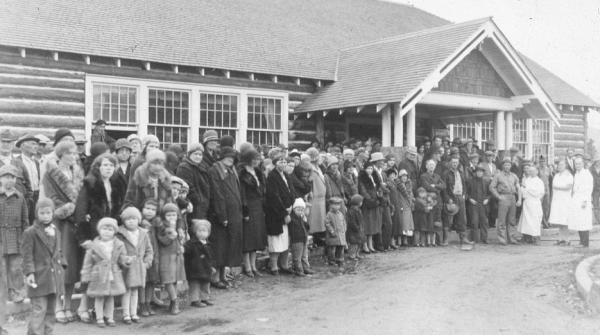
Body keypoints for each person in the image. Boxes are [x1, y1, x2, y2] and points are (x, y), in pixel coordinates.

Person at [40, 141, 84, 323]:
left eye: (75, 153)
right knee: (61, 265)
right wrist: (70, 207)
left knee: (73, 266)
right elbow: (52, 198)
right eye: (70, 153)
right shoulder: (50, 174)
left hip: (76, 224)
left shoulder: (78, 174)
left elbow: (83, 196)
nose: (74, 156)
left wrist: (81, 209)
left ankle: (68, 306)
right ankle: (58, 306)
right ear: (61, 155)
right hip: (60, 223)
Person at [21, 198, 65, 335]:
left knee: (51, 311)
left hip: (53, 278)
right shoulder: (30, 232)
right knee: (39, 310)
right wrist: (30, 273)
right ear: (36, 213)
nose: (45, 216)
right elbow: (27, 255)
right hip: (39, 278)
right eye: (42, 213)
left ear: (52, 213)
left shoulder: (56, 231)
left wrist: (62, 265)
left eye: (48, 213)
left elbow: (58, 252)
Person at [80, 218, 130, 328]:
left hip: (113, 272)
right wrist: (86, 275)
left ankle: (109, 317)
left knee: (111, 296)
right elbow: (87, 262)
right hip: (99, 273)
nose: (107, 231)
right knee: (99, 296)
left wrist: (126, 260)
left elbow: (121, 258)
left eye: (110, 229)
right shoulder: (93, 245)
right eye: (104, 228)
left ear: (114, 232)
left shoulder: (118, 244)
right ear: (99, 230)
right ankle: (99, 317)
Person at [207, 146, 243, 286]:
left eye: (232, 158)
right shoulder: (214, 170)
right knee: (219, 247)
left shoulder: (231, 170)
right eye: (227, 157)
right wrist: (222, 215)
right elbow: (217, 194)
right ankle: (215, 277)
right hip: (220, 215)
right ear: (221, 157)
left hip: (234, 214)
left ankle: (223, 275)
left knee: (228, 246)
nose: (230, 160)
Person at [116, 207, 153, 324]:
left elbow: (149, 250)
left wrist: (147, 262)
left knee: (135, 291)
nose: (131, 221)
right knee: (127, 290)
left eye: (133, 218)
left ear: (138, 220)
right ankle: (126, 314)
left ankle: (134, 313)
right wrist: (123, 260)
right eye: (127, 219)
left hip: (139, 266)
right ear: (123, 221)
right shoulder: (120, 234)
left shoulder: (143, 234)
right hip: (127, 266)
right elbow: (116, 251)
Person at [0, 164, 28, 303]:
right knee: (2, 267)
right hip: (1, 236)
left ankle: (16, 292)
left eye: (12, 177)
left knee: (16, 267)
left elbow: (25, 219)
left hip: (16, 237)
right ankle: (3, 294)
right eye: (6, 177)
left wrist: (25, 237)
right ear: (1, 179)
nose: (9, 180)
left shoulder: (20, 197)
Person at [264, 154, 295, 275]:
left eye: (284, 162)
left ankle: (284, 264)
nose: (283, 164)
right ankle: (273, 266)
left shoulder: (286, 175)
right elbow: (274, 197)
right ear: (275, 163)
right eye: (280, 162)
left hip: (288, 209)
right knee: (276, 240)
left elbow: (291, 191)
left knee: (286, 240)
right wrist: (284, 212)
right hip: (276, 213)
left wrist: (291, 206)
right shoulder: (272, 176)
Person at [238, 149, 267, 277]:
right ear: (248, 159)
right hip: (248, 206)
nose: (256, 161)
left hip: (258, 206)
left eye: (258, 159)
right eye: (254, 159)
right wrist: (245, 211)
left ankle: (254, 266)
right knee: (248, 239)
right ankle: (247, 266)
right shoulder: (242, 173)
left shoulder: (258, 172)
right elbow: (242, 193)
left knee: (256, 237)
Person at [156, 203, 186, 314]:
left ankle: (174, 301)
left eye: (173, 215)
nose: (171, 218)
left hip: (176, 255)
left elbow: (179, 240)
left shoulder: (178, 226)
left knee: (174, 280)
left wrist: (181, 244)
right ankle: (174, 300)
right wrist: (171, 236)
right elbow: (162, 241)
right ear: (164, 216)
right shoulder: (161, 226)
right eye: (168, 215)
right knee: (167, 280)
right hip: (166, 256)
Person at [490, 158, 522, 245]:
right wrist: (499, 197)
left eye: (508, 165)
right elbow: (492, 187)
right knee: (502, 220)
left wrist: (519, 199)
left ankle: (512, 238)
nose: (507, 166)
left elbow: (518, 187)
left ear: (510, 166)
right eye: (505, 165)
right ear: (502, 166)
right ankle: (502, 239)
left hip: (512, 197)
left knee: (512, 220)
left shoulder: (514, 176)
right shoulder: (498, 175)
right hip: (503, 197)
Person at [184, 219, 215, 308]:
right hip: (194, 268)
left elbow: (211, 257)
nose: (202, 233)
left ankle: (205, 298)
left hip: (206, 267)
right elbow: (186, 250)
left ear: (208, 232)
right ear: (195, 232)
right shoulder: (191, 243)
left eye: (204, 231)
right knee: (195, 284)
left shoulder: (209, 244)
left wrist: (212, 266)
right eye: (199, 231)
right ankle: (195, 300)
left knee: (206, 284)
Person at [442, 157, 472, 246]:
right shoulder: (446, 173)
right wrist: (448, 199)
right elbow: (444, 188)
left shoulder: (461, 173)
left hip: (460, 197)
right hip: (451, 198)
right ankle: (446, 239)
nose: (455, 164)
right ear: (450, 163)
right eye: (453, 162)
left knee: (462, 219)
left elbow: (464, 185)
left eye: (456, 162)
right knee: (449, 219)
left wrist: (464, 195)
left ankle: (463, 238)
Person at [176, 143, 211, 220]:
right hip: (193, 206)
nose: (198, 157)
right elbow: (187, 187)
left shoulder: (203, 167)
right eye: (195, 154)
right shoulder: (184, 167)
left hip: (203, 207)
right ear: (189, 154)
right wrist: (199, 201)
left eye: (200, 154)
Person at [139, 199, 161, 317]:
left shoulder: (156, 223)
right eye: (147, 208)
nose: (150, 212)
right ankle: (142, 304)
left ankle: (148, 303)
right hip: (142, 256)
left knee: (151, 281)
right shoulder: (139, 223)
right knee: (143, 281)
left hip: (154, 255)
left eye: (153, 210)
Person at [567, 156, 594, 247]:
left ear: (583, 164)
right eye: (576, 164)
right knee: (578, 220)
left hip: (583, 200)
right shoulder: (577, 174)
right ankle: (581, 241)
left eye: (579, 163)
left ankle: (585, 242)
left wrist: (585, 202)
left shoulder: (586, 174)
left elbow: (588, 189)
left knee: (584, 220)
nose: (577, 165)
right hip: (576, 199)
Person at [0, 129, 32, 205]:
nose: (6, 144)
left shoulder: (19, 163)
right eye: (3, 142)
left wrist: (25, 203)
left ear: (13, 144)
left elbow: (28, 187)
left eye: (9, 142)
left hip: (17, 207)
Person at [419, 160, 446, 245]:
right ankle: (429, 241)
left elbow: (444, 186)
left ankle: (439, 240)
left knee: (438, 219)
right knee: (429, 219)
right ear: (426, 166)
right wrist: (437, 190)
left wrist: (435, 186)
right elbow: (426, 186)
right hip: (428, 200)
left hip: (438, 201)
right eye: (430, 165)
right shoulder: (423, 176)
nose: (431, 166)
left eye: (433, 165)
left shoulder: (437, 176)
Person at [15, 134, 41, 223]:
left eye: (36, 144)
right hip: (24, 198)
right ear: (22, 145)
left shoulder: (37, 162)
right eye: (33, 144)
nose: (36, 146)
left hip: (37, 197)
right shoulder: (16, 162)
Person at [517, 166, 545, 244]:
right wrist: (523, 189)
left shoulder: (539, 181)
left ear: (537, 172)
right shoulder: (527, 180)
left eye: (533, 171)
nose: (531, 172)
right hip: (527, 202)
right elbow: (522, 190)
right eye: (530, 171)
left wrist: (527, 188)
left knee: (534, 220)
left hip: (534, 202)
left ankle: (535, 238)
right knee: (526, 221)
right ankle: (526, 237)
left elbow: (539, 192)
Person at [548, 160, 574, 245]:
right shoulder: (556, 175)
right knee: (559, 221)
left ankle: (567, 240)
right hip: (557, 200)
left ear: (565, 166)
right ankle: (560, 239)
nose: (560, 167)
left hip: (565, 201)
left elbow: (568, 187)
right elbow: (553, 187)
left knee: (565, 221)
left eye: (562, 165)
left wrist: (558, 187)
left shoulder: (569, 175)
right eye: (558, 165)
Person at [358, 162, 382, 253]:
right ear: (364, 169)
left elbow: (378, 188)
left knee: (372, 225)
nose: (370, 170)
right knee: (366, 224)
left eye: (371, 169)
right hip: (367, 204)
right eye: (368, 168)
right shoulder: (362, 179)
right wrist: (371, 200)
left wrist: (379, 195)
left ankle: (370, 244)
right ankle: (365, 245)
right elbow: (363, 191)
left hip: (375, 203)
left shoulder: (374, 177)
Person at [305, 147, 327, 240]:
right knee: (314, 220)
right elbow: (309, 182)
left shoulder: (318, 168)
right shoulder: (310, 168)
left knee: (320, 220)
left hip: (321, 197)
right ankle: (313, 239)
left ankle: (318, 238)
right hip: (314, 197)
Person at [467, 166, 490, 243]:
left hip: (483, 205)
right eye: (478, 172)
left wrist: (487, 199)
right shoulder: (470, 181)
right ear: (475, 173)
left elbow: (489, 194)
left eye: (481, 172)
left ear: (483, 173)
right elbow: (466, 193)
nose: (479, 173)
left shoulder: (486, 182)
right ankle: (474, 239)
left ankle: (484, 239)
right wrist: (470, 199)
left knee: (484, 222)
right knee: (474, 221)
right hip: (474, 204)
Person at [288, 198, 311, 276]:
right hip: (296, 240)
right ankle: (298, 269)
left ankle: (306, 268)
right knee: (297, 257)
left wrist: (305, 220)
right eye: (298, 210)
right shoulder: (292, 218)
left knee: (304, 255)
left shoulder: (301, 218)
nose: (300, 212)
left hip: (303, 239)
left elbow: (307, 227)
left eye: (302, 210)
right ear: (294, 209)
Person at [325, 197, 347, 266]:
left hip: (340, 235)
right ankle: (331, 261)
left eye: (338, 205)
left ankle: (339, 260)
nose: (337, 206)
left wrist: (344, 228)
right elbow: (327, 223)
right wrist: (332, 231)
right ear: (331, 205)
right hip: (333, 235)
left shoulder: (340, 214)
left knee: (340, 248)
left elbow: (344, 222)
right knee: (332, 249)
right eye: (335, 204)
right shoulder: (329, 214)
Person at [396, 169, 415, 246]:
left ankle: (405, 239)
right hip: (402, 204)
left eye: (405, 176)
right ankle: (400, 240)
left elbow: (411, 195)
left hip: (408, 205)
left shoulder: (409, 186)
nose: (404, 178)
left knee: (407, 223)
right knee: (402, 222)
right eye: (402, 176)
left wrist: (412, 200)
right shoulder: (399, 186)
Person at [111, 138, 132, 204]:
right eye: (121, 151)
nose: (124, 153)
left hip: (130, 202)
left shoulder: (133, 166)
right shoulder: (111, 166)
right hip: (115, 201)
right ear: (116, 152)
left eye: (127, 151)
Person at [346, 194, 366, 260]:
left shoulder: (358, 210)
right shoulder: (352, 211)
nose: (362, 203)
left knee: (359, 243)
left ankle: (357, 254)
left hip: (359, 230)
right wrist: (356, 227)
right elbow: (352, 222)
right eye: (361, 202)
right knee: (353, 244)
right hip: (354, 231)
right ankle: (352, 255)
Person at [591, 157, 600, 226]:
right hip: (594, 189)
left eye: (599, 161)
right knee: (595, 204)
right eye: (596, 161)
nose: (598, 162)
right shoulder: (591, 169)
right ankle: (598, 220)